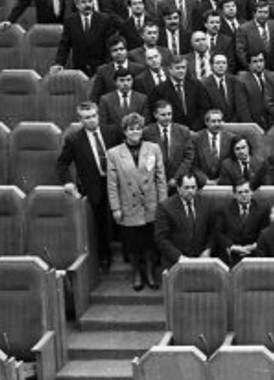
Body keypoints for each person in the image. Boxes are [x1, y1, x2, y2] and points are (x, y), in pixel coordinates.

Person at [57, 101, 122, 272]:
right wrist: (68, 182)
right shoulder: (74, 139)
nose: (92, 120)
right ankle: (104, 258)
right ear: (80, 120)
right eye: (87, 118)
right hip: (94, 184)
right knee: (100, 224)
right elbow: (62, 163)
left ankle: (129, 255)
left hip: (117, 182)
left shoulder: (112, 132)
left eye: (94, 116)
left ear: (98, 115)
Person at [105, 113, 165, 290]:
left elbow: (161, 178)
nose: (135, 132)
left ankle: (149, 273)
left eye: (138, 128)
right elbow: (112, 184)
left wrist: (163, 204)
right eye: (131, 129)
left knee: (149, 242)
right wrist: (115, 207)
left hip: (151, 203)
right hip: (128, 205)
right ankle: (137, 274)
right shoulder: (114, 153)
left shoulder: (153, 148)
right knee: (133, 244)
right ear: (124, 131)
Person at [154, 172, 214, 269]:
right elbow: (161, 239)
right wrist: (179, 258)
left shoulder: (206, 203)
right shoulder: (165, 207)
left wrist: (207, 250)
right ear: (178, 188)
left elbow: (212, 231)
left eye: (193, 187)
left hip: (201, 258)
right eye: (186, 187)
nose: (190, 191)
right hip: (176, 261)